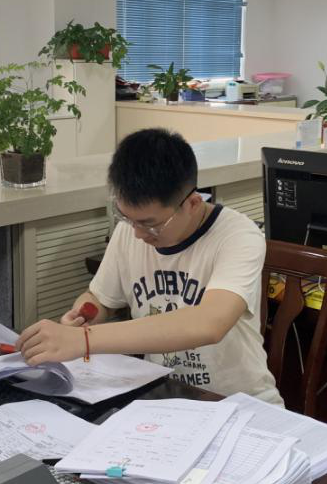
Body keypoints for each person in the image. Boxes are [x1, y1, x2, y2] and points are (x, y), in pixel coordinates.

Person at [17, 128, 283, 405]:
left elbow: (209, 323)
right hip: (164, 397)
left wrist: (83, 340)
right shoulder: (130, 230)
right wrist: (85, 313)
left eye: (150, 224)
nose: (137, 234)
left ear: (193, 203)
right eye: (127, 218)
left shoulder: (238, 235)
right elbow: (100, 298)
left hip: (238, 402)